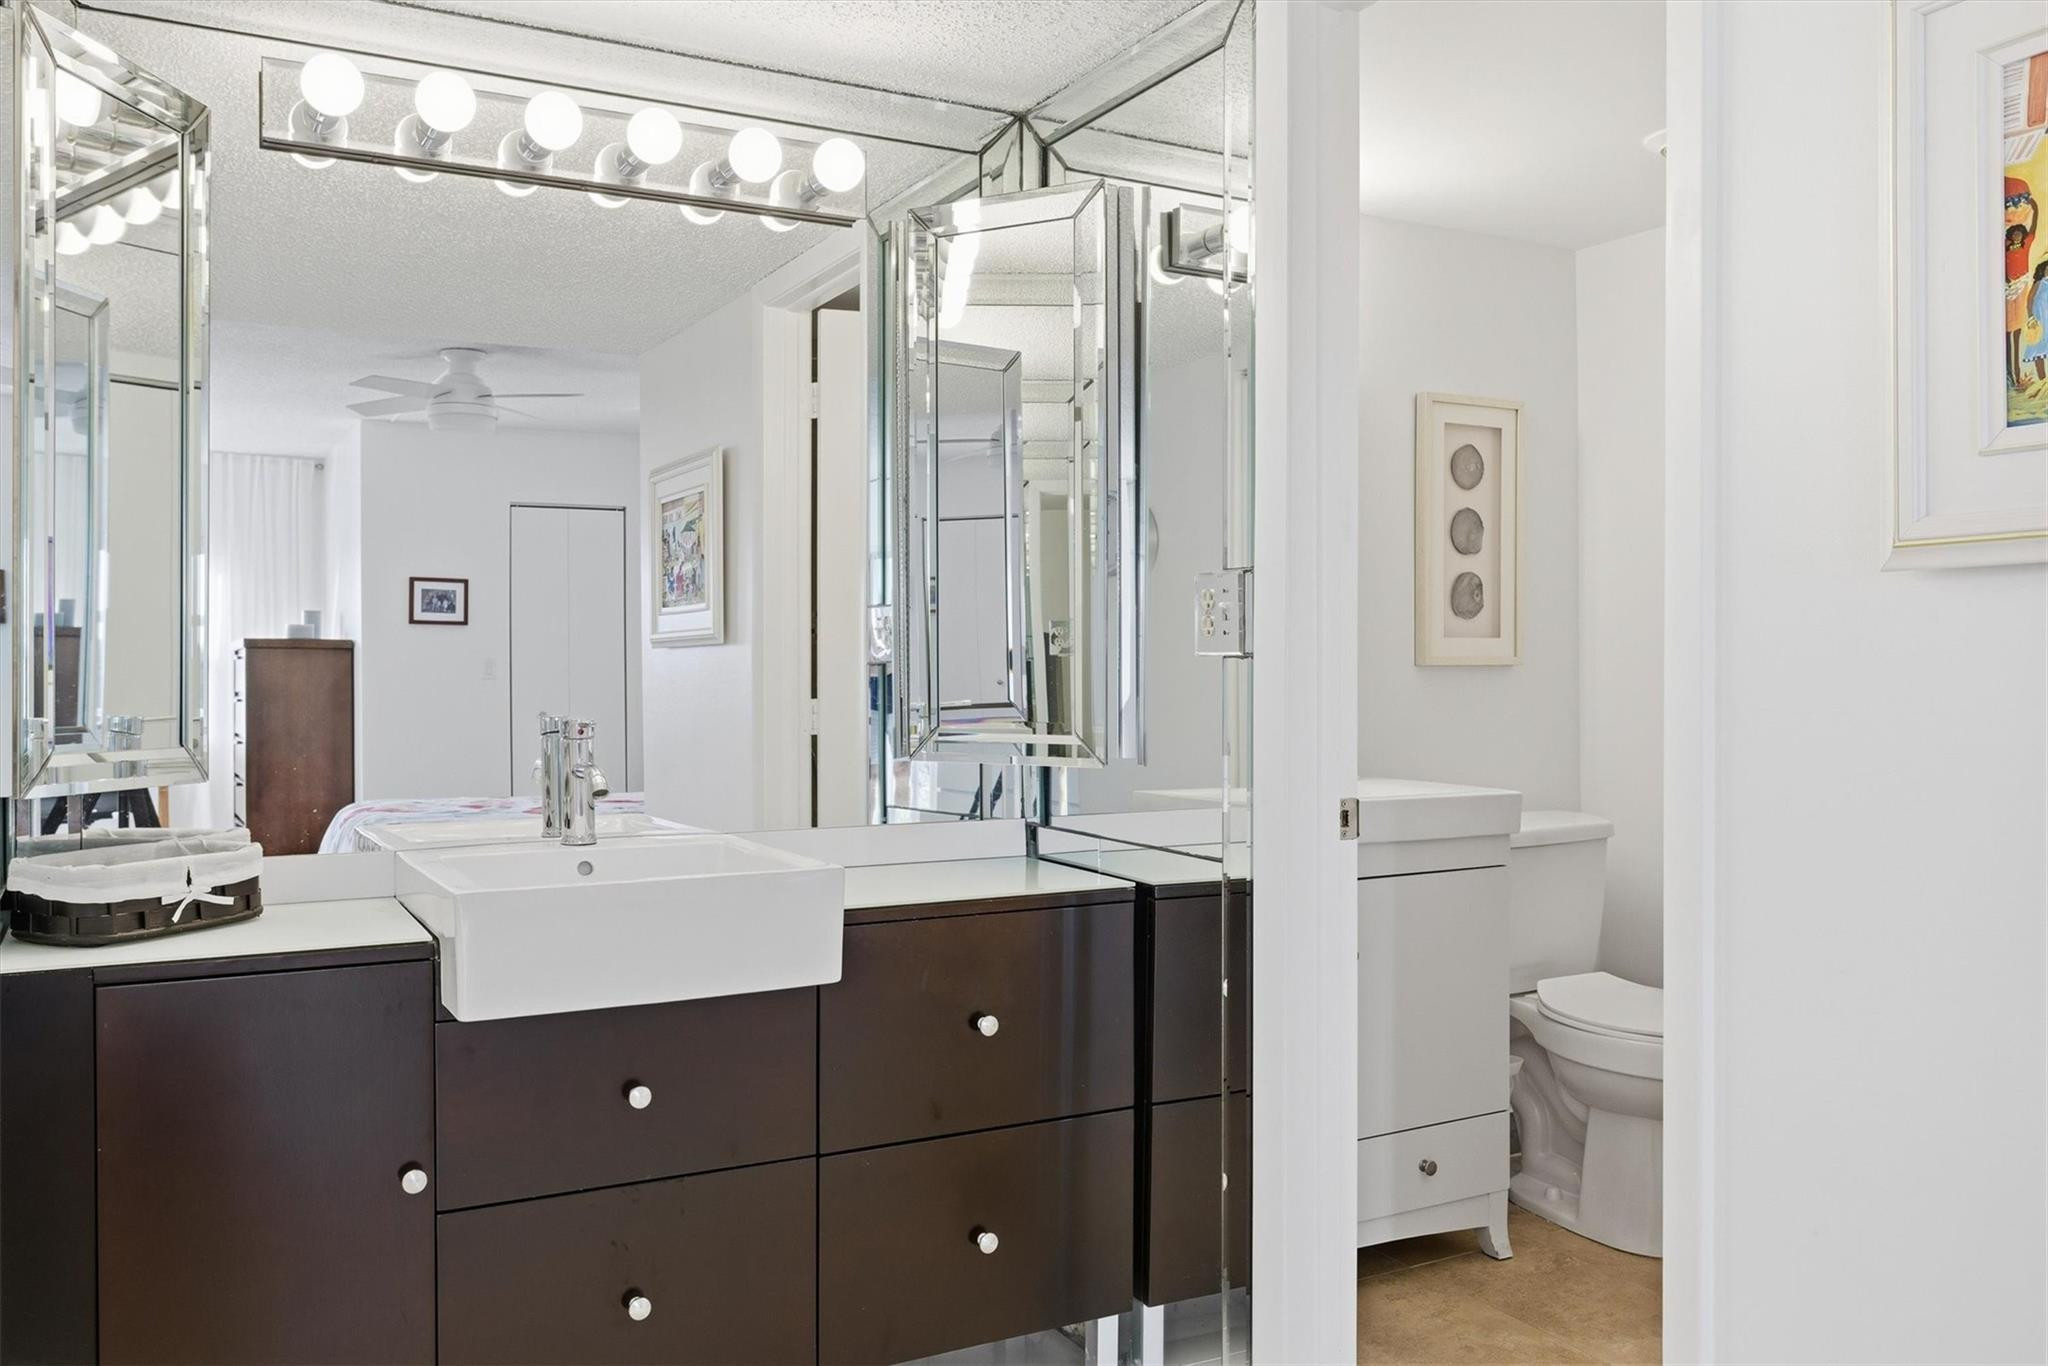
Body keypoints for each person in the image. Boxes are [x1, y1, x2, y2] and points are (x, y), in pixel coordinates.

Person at [2007, 176, 2039, 390]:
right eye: (2015, 232)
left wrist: (2035, 208)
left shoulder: (2026, 243)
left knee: (2017, 331)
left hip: (2021, 288)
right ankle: (2010, 373)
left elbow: (2035, 223)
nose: (2018, 234)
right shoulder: (2004, 245)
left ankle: (2016, 374)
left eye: (2020, 231)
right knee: (2006, 332)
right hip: (2006, 290)